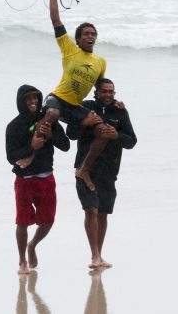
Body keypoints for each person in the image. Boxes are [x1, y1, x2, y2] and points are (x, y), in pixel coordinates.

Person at [16, 0, 116, 190]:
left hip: (74, 108)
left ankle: (84, 170)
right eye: (86, 34)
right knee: (51, 114)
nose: (90, 36)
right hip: (58, 99)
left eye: (93, 34)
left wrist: (115, 103)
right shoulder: (69, 49)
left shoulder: (100, 62)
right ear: (78, 39)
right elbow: (55, 19)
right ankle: (31, 153)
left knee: (103, 129)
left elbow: (101, 92)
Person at [67, 78, 137, 269]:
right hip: (84, 170)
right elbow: (71, 134)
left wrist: (117, 136)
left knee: (103, 213)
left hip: (109, 170)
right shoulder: (85, 107)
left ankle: (99, 254)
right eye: (104, 91)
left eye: (111, 92)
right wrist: (85, 122)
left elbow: (131, 141)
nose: (108, 95)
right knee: (91, 210)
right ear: (95, 93)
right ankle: (95, 256)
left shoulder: (120, 111)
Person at [6, 84, 70, 274]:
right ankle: (21, 261)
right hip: (24, 179)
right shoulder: (14, 126)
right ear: (21, 102)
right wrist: (31, 147)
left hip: (46, 177)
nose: (33, 102)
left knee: (48, 220)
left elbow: (66, 146)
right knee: (22, 222)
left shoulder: (49, 121)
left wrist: (52, 136)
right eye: (28, 99)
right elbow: (11, 156)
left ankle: (32, 244)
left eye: (35, 98)